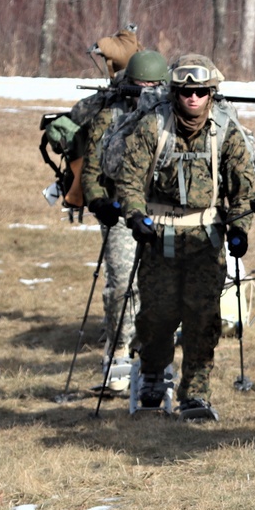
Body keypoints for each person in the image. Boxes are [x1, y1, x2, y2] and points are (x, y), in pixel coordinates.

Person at [116, 54, 255, 420]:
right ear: (175, 92)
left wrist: (240, 228)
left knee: (203, 318)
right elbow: (130, 176)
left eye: (200, 92)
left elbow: (243, 189)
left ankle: (195, 392)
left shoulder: (226, 132)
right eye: (186, 92)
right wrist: (135, 215)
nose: (193, 99)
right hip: (158, 237)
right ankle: (151, 377)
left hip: (205, 240)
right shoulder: (153, 126)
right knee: (157, 315)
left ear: (211, 93)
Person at [80, 50, 168, 393]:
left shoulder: (169, 115)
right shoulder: (111, 115)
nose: (144, 90)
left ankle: (153, 354)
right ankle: (117, 352)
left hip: (160, 211)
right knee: (121, 284)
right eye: (139, 84)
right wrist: (98, 200)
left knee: (160, 286)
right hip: (119, 212)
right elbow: (92, 170)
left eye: (152, 84)